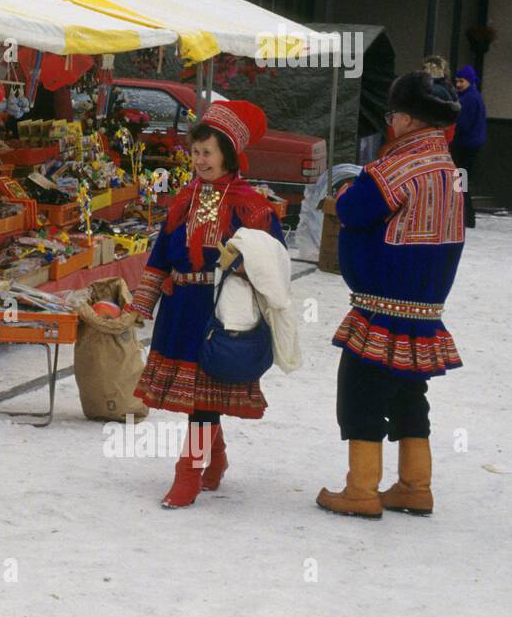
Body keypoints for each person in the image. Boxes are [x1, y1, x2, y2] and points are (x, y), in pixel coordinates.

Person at [317, 71, 463, 519]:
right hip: (424, 308)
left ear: (410, 119)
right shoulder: (453, 171)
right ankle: (415, 486)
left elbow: (355, 208)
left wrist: (343, 190)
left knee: (360, 391)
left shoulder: (400, 164)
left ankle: (361, 489)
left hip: (382, 304)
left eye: (394, 114)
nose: (390, 122)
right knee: (408, 393)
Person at [129, 100, 285, 509]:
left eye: (208, 153)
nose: (199, 161)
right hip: (180, 309)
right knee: (200, 398)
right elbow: (161, 253)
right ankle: (214, 460)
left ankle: (189, 474)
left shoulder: (252, 205)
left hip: (219, 311)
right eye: (195, 153)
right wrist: (141, 303)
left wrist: (243, 263)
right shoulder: (184, 200)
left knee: (203, 400)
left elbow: (273, 260)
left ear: (229, 155)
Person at [451, 65, 486, 230]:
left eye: (461, 81)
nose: (458, 84)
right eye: (456, 81)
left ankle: (465, 216)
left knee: (460, 182)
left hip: (465, 146)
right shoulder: (472, 96)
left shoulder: (469, 99)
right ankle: (466, 216)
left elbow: (462, 124)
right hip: (470, 145)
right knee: (461, 181)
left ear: (469, 81)